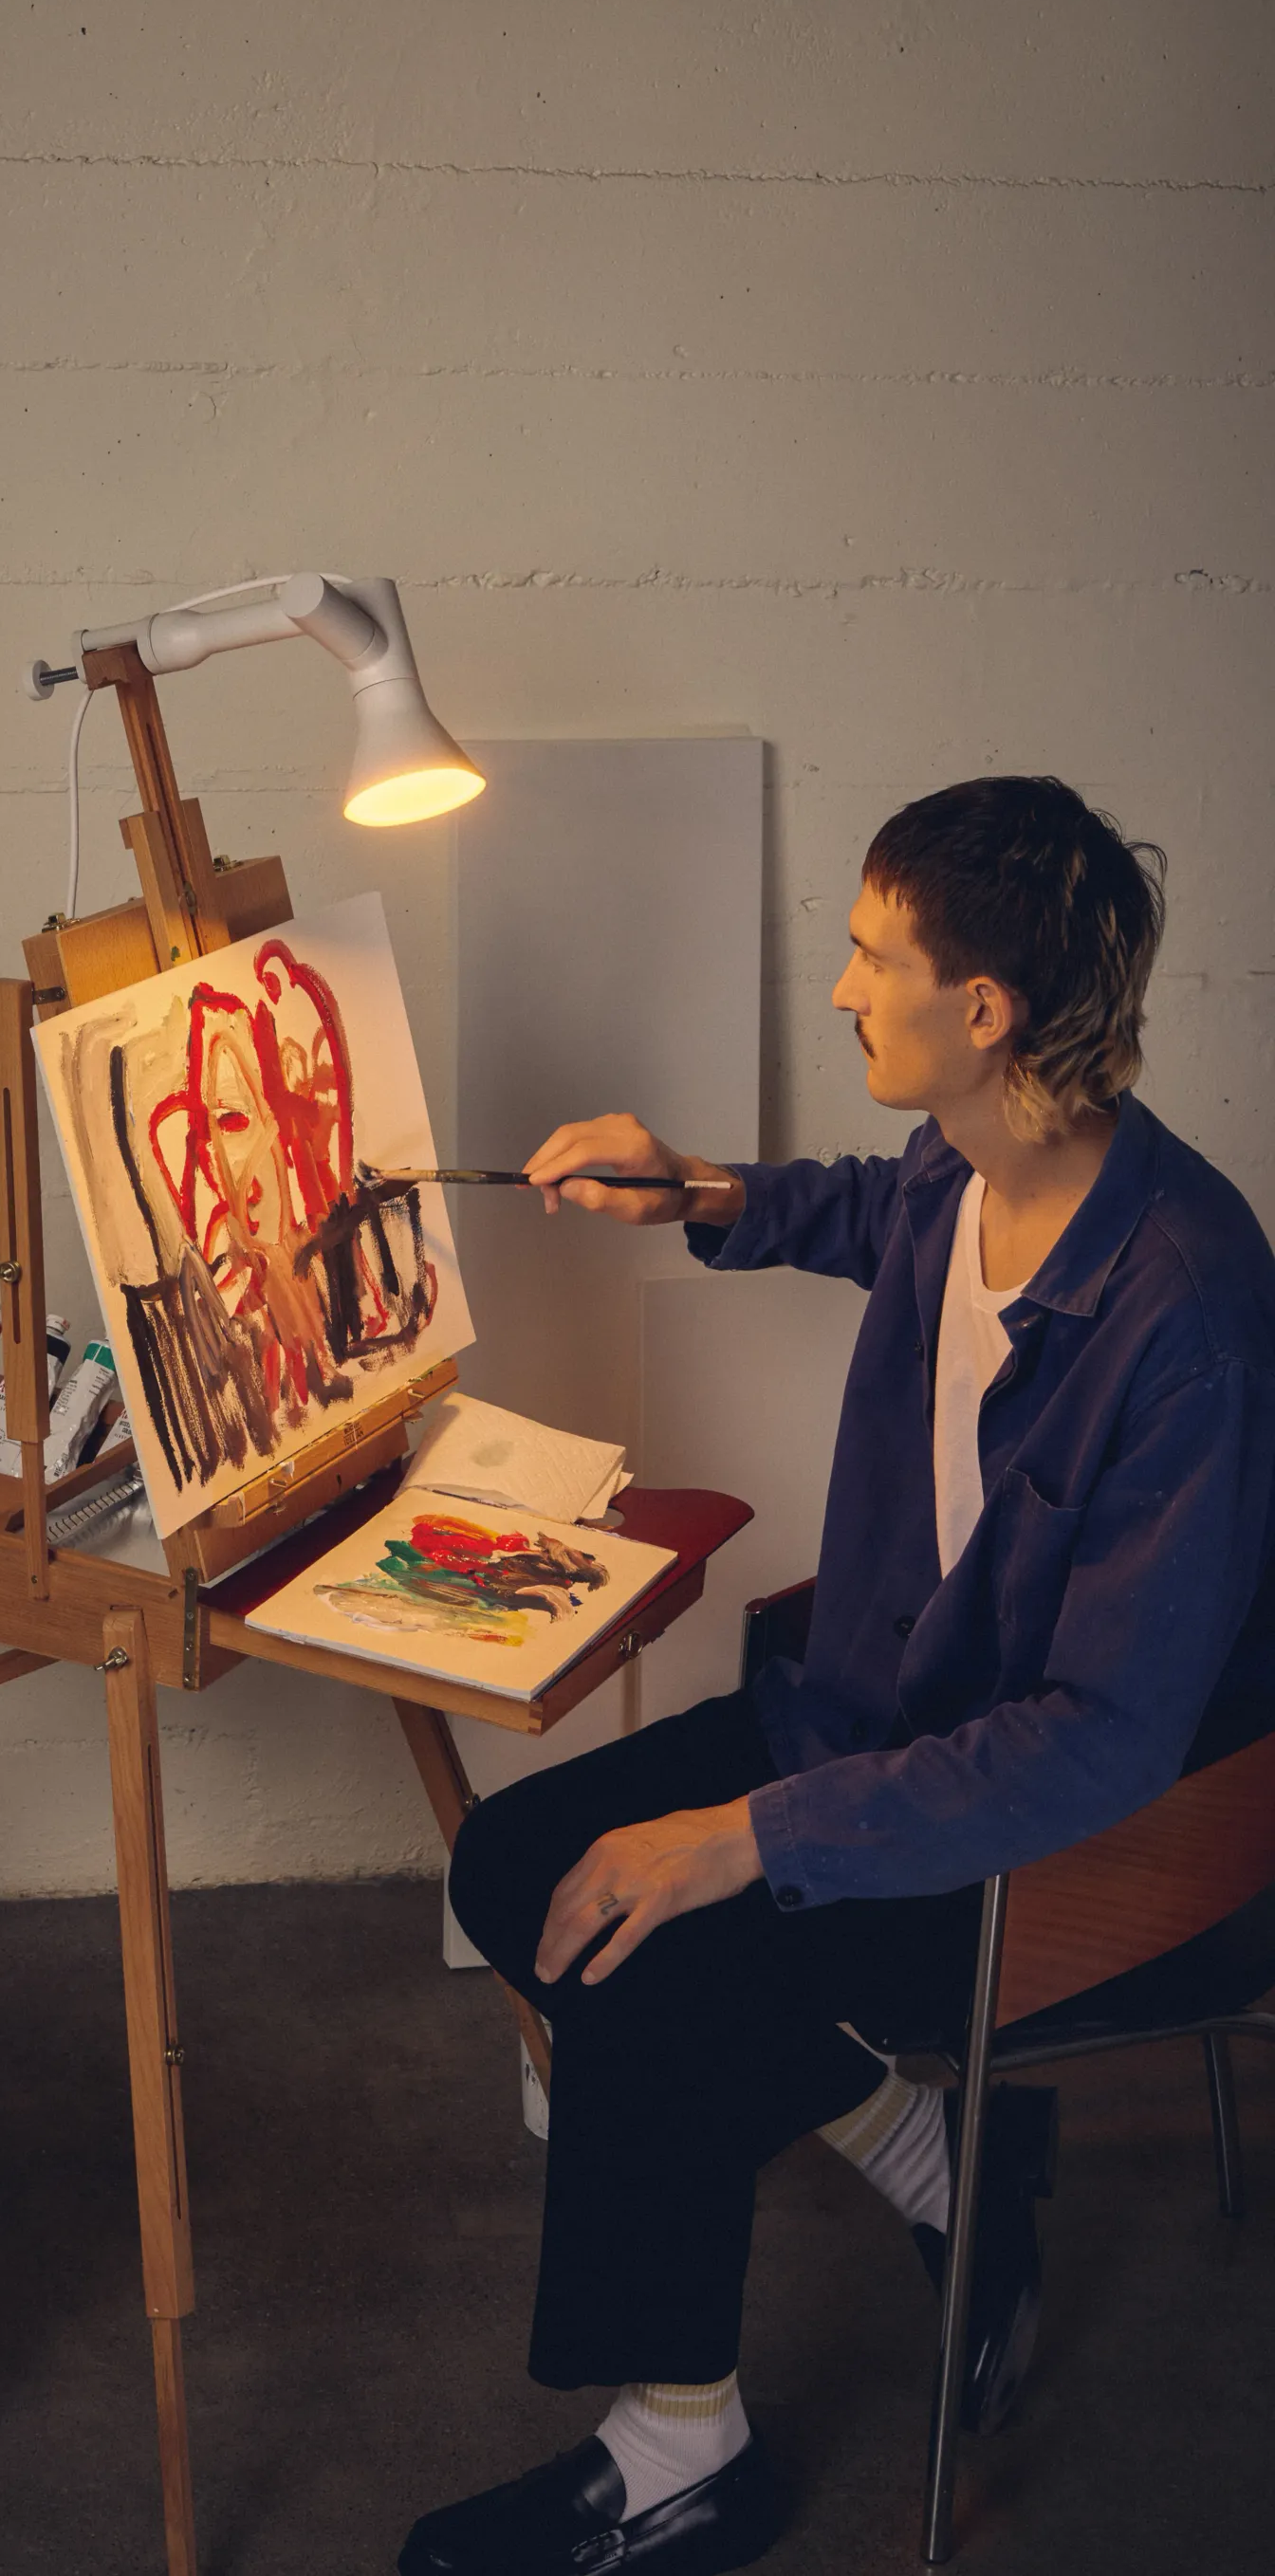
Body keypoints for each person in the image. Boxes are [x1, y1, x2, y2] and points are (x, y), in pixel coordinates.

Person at [399, 776, 1275, 2576]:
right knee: (514, 1863)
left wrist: (740, 1837)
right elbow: (878, 1219)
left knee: (647, 1951)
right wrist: (696, 1188)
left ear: (986, 1013)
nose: (841, 989)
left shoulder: (1185, 1307)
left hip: (1055, 1844)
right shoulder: (982, 1154)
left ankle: (679, 2456)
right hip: (875, 1725)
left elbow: (1104, 1740)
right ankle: (947, 2163)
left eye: (874, 957)